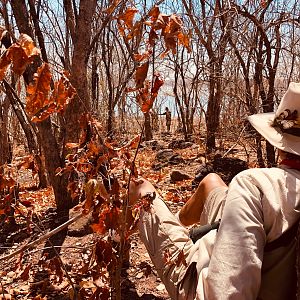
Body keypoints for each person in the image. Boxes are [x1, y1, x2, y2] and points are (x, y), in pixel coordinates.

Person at [129, 82, 300, 299]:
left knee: (140, 187)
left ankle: (119, 242)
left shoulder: (255, 184)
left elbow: (223, 295)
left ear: (279, 146)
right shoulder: (267, 190)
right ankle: (179, 227)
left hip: (201, 283)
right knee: (211, 180)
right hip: (254, 248)